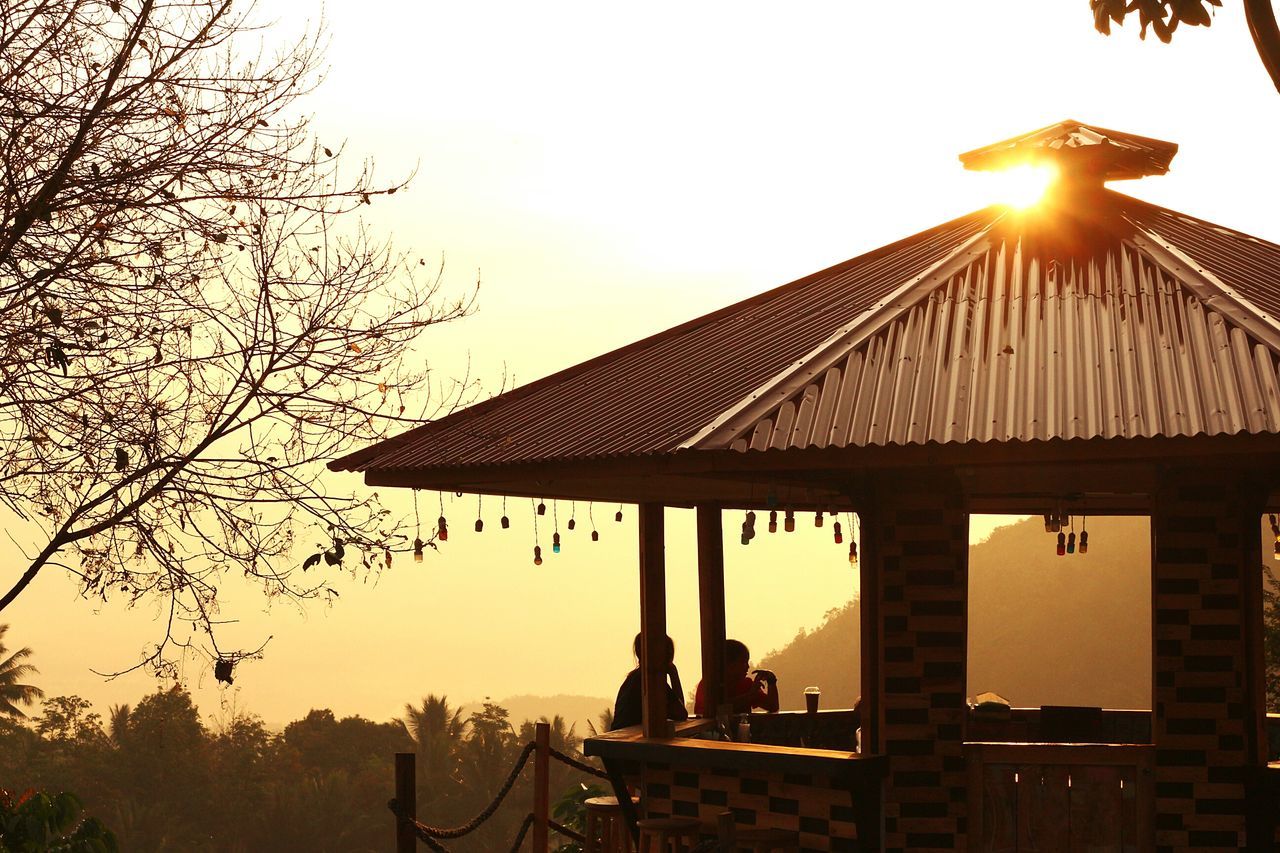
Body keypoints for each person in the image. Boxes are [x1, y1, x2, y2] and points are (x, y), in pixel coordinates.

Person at [610, 632, 690, 730]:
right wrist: (674, 674)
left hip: (620, 740)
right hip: (630, 743)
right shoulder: (651, 681)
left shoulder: (634, 678)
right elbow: (681, 714)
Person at [693, 639, 780, 716]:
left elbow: (773, 706)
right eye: (743, 662)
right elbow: (716, 710)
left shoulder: (747, 684)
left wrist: (771, 681)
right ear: (728, 664)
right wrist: (750, 695)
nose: (747, 667)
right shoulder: (708, 685)